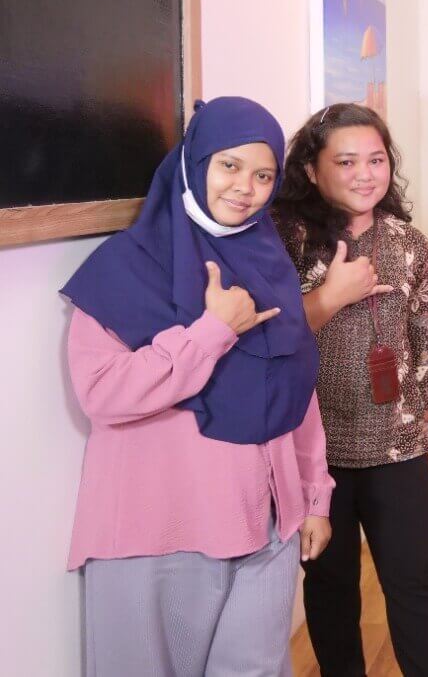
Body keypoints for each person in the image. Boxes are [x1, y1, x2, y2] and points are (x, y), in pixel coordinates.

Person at [60, 96, 334, 676]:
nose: (246, 189)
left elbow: (297, 390)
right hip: (160, 529)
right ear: (195, 161)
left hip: (267, 529)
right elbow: (101, 393)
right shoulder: (125, 266)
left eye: (264, 175)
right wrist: (211, 332)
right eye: (229, 166)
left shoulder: (268, 261)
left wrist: (313, 496)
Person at [273, 102, 428, 677]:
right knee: (329, 589)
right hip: (314, 452)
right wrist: (330, 296)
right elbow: (266, 337)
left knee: (414, 586)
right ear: (311, 170)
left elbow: (424, 334)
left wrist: (424, 414)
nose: (365, 174)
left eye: (376, 159)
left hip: (397, 446)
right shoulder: (283, 240)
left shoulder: (409, 242)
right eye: (346, 161)